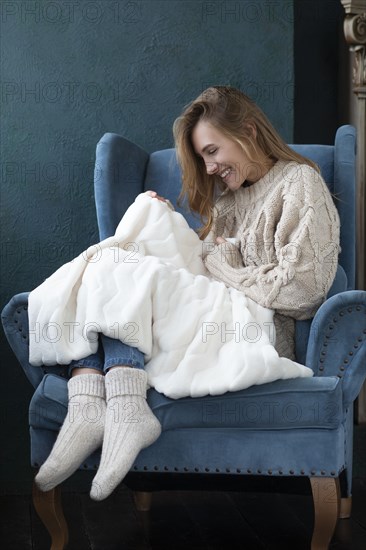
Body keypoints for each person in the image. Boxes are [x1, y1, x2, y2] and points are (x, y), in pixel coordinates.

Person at [34, 86, 340, 501]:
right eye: (203, 158)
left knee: (124, 262)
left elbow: (303, 288)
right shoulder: (232, 201)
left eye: (213, 151)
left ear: (248, 131)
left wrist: (216, 259)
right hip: (216, 313)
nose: (209, 168)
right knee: (122, 250)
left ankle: (108, 402)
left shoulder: (299, 183)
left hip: (255, 329)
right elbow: (204, 265)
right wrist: (166, 221)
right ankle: (96, 400)